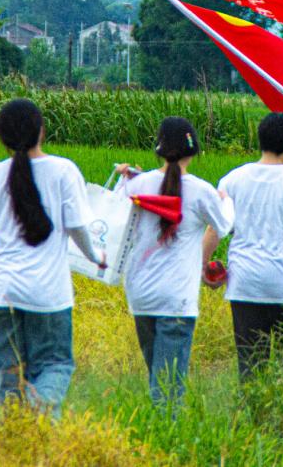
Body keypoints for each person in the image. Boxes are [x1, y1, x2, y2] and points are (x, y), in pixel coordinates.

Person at [0, 98, 106, 417]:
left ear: (3, 137)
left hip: (3, 293)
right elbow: (79, 228)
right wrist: (97, 256)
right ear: (42, 131)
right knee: (55, 365)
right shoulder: (63, 171)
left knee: (8, 378)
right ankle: (39, 418)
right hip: (48, 295)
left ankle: (14, 440)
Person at [114, 117, 233, 406]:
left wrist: (125, 179)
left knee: (158, 374)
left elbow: (114, 216)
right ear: (192, 151)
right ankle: (165, 441)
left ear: (159, 148)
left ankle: (154, 435)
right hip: (176, 299)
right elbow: (224, 225)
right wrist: (225, 200)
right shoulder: (203, 191)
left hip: (140, 295)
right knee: (168, 388)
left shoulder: (137, 185)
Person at [203, 112, 283, 380]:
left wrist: (202, 266)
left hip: (243, 284)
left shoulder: (232, 180)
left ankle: (250, 415)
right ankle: (281, 418)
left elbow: (215, 228)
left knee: (250, 362)